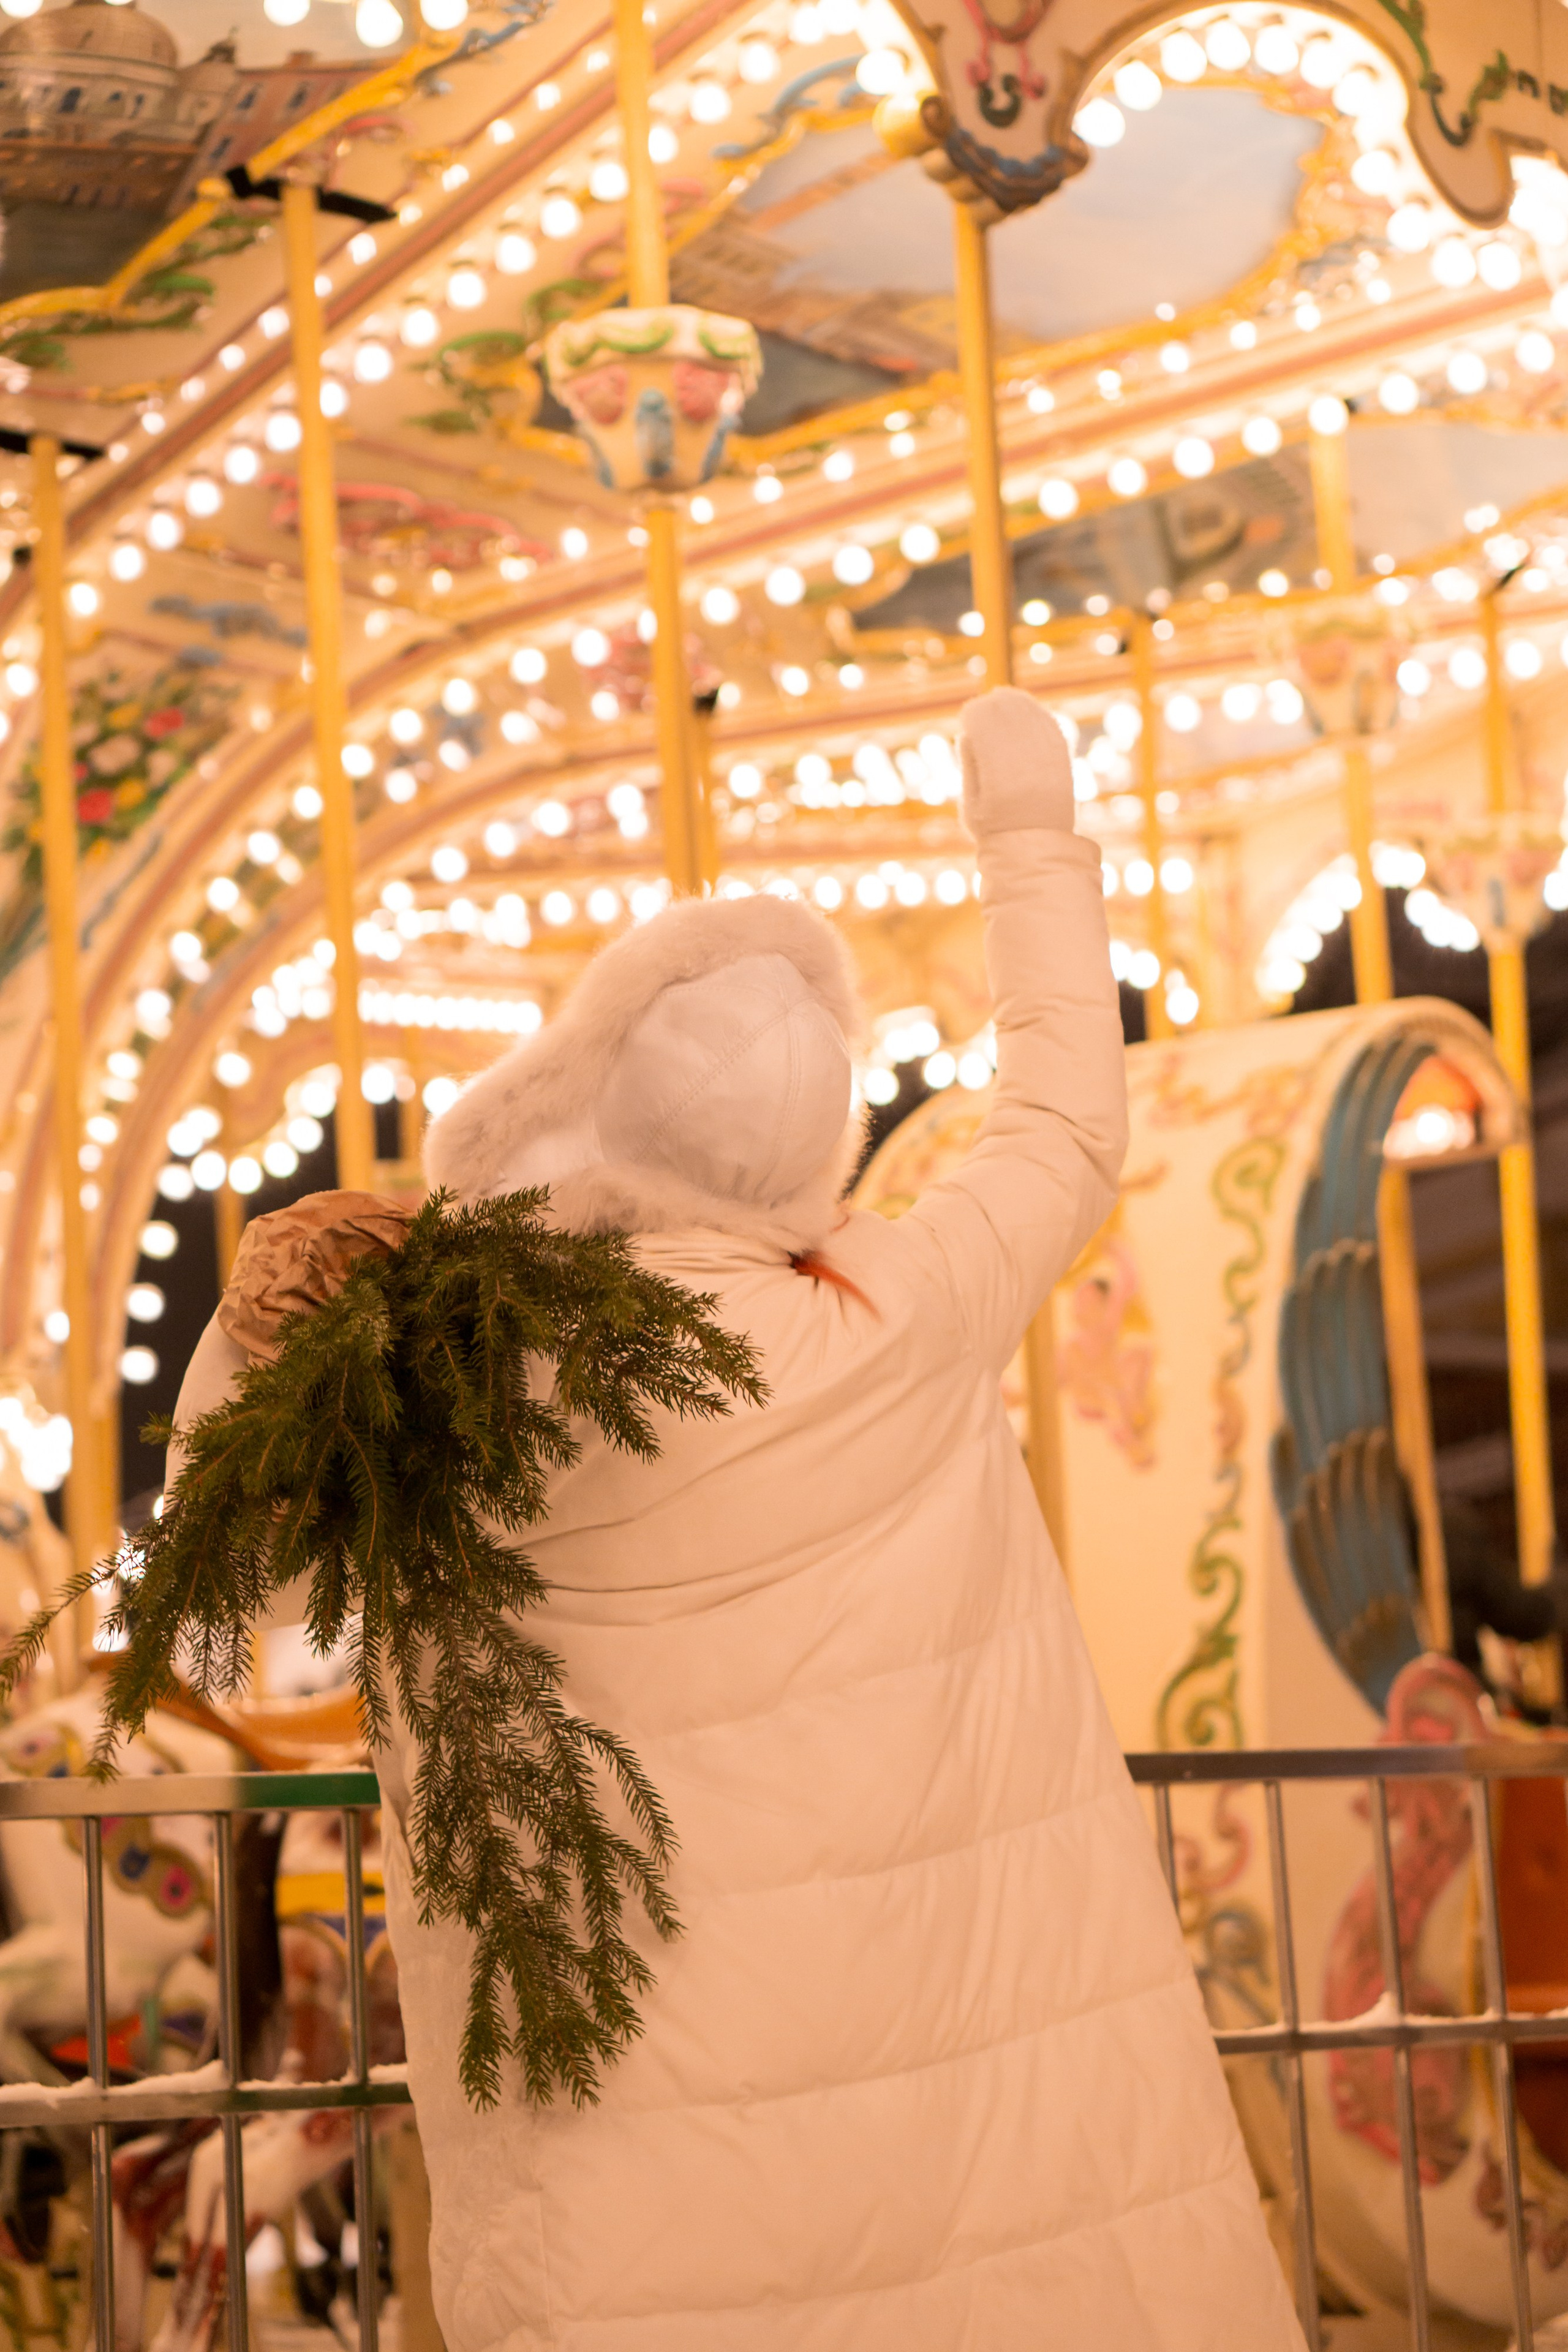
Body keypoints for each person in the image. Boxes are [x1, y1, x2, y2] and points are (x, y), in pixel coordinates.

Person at [375, 687, 1305, 2349]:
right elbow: (1066, 1124)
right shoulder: (903, 1304)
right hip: (970, 2080)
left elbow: (283, 1533)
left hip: (666, 2102)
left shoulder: (497, 1374)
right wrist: (1030, 840)